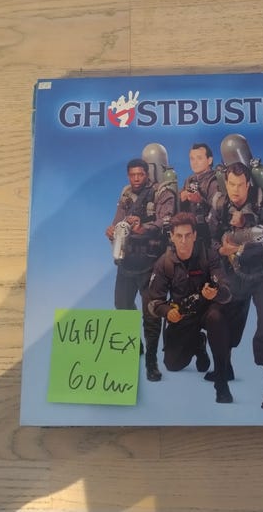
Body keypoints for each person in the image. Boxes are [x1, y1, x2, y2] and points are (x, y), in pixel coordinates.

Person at [207, 161, 263, 410]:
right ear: (226, 183)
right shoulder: (220, 205)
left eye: (240, 185)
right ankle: (222, 378)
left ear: (248, 184)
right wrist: (222, 249)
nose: (236, 190)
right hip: (234, 272)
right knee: (219, 320)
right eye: (231, 184)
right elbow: (209, 239)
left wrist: (246, 234)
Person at [146, 212, 233, 404]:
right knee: (173, 364)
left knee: (217, 318)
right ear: (172, 236)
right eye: (179, 236)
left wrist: (216, 293)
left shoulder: (209, 256)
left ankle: (221, 383)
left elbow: (227, 292)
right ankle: (198, 343)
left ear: (194, 235)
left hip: (207, 311)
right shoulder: (164, 263)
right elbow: (153, 302)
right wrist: (168, 312)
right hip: (183, 314)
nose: (183, 241)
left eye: (187, 235)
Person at [105, 158, 175, 382]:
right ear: (128, 175)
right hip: (127, 261)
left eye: (140, 174)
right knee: (122, 305)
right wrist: (113, 231)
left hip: (151, 262)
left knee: (151, 313)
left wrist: (143, 228)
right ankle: (134, 344)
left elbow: (167, 220)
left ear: (147, 174)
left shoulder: (161, 192)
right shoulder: (126, 194)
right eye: (132, 175)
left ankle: (151, 363)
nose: (136, 178)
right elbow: (118, 221)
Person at [179, 143, 219, 246]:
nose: (194, 162)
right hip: (191, 232)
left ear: (209, 160)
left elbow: (218, 211)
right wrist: (181, 199)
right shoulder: (190, 180)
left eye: (199, 158)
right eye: (192, 159)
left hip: (209, 234)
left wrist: (200, 201)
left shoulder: (214, 182)